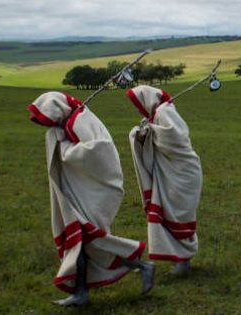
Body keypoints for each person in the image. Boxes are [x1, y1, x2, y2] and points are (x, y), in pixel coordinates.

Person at [27, 92, 154, 306]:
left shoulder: (80, 120)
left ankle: (142, 266)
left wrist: (65, 149)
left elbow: (99, 150)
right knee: (81, 243)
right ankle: (81, 292)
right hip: (77, 193)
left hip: (95, 192)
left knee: (90, 241)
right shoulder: (70, 120)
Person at [126, 85, 201, 274]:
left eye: (138, 103)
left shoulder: (164, 112)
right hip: (169, 172)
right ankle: (180, 258)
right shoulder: (155, 115)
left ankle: (183, 260)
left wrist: (149, 130)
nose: (137, 108)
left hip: (181, 172)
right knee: (167, 214)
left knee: (178, 214)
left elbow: (173, 138)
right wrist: (141, 134)